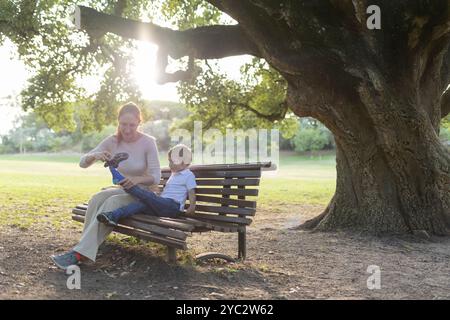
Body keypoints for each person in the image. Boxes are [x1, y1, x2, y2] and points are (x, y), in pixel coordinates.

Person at [50, 102, 161, 270]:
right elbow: (82, 163)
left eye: (132, 125)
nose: (128, 129)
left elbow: (156, 177)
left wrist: (136, 180)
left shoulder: (148, 142)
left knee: (111, 203)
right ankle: (83, 251)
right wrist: (95, 155)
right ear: (118, 122)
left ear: (139, 123)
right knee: (96, 199)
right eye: (123, 124)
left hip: (144, 195)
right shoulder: (113, 141)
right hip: (124, 191)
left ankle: (79, 254)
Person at [97, 144, 197, 226]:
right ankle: (112, 216)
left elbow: (191, 191)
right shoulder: (174, 175)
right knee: (140, 205)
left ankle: (118, 176)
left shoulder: (188, 175)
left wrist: (192, 207)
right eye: (169, 161)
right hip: (162, 206)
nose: (170, 164)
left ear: (184, 163)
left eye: (172, 161)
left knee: (147, 196)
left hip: (173, 207)